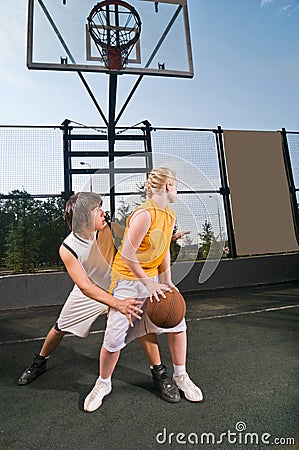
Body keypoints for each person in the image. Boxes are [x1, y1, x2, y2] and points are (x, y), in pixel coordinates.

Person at [18, 192, 187, 403]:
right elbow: (86, 286)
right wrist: (118, 304)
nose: (103, 212)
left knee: (143, 326)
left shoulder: (110, 229)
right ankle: (39, 362)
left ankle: (159, 373)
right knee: (60, 328)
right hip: (88, 293)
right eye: (97, 210)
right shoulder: (68, 248)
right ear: (83, 218)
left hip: (118, 286)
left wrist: (165, 240)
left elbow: (138, 241)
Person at [84, 167, 203, 412]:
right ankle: (103, 383)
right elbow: (127, 253)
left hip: (151, 278)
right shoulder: (144, 214)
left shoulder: (169, 215)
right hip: (126, 281)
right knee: (113, 339)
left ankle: (181, 375)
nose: (177, 188)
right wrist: (147, 283)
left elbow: (163, 251)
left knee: (178, 323)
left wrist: (167, 280)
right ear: (168, 185)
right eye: (176, 184)